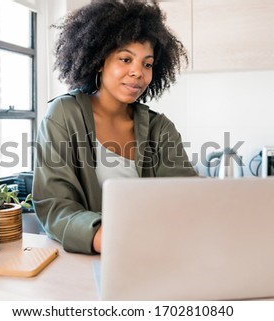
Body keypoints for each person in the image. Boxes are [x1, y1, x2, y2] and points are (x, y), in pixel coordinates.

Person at [33, 0, 198, 255]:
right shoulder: (64, 115)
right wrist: (107, 239)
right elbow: (55, 206)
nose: (138, 73)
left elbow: (187, 196)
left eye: (147, 64)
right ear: (99, 61)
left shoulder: (160, 128)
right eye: (125, 59)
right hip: (95, 258)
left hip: (155, 252)